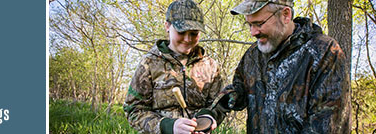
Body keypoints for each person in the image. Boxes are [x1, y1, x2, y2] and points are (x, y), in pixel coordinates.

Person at [213, 0, 351, 133]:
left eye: (259, 24)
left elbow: (328, 125)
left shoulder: (323, 52)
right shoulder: (253, 55)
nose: (253, 32)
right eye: (249, 25)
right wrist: (210, 115)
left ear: (286, 15)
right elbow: (238, 91)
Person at [123, 0, 229, 133]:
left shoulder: (210, 66)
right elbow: (133, 110)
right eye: (181, 32)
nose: (187, 39)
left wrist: (208, 118)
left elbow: (219, 105)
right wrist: (167, 126)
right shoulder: (149, 63)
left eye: (193, 33)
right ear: (167, 26)